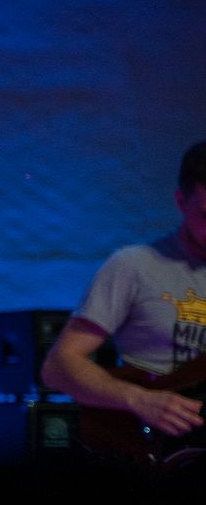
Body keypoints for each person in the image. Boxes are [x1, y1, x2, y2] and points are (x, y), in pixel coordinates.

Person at [41, 140, 206, 440]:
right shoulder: (134, 265)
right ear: (181, 201)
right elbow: (58, 366)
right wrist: (139, 400)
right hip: (161, 446)